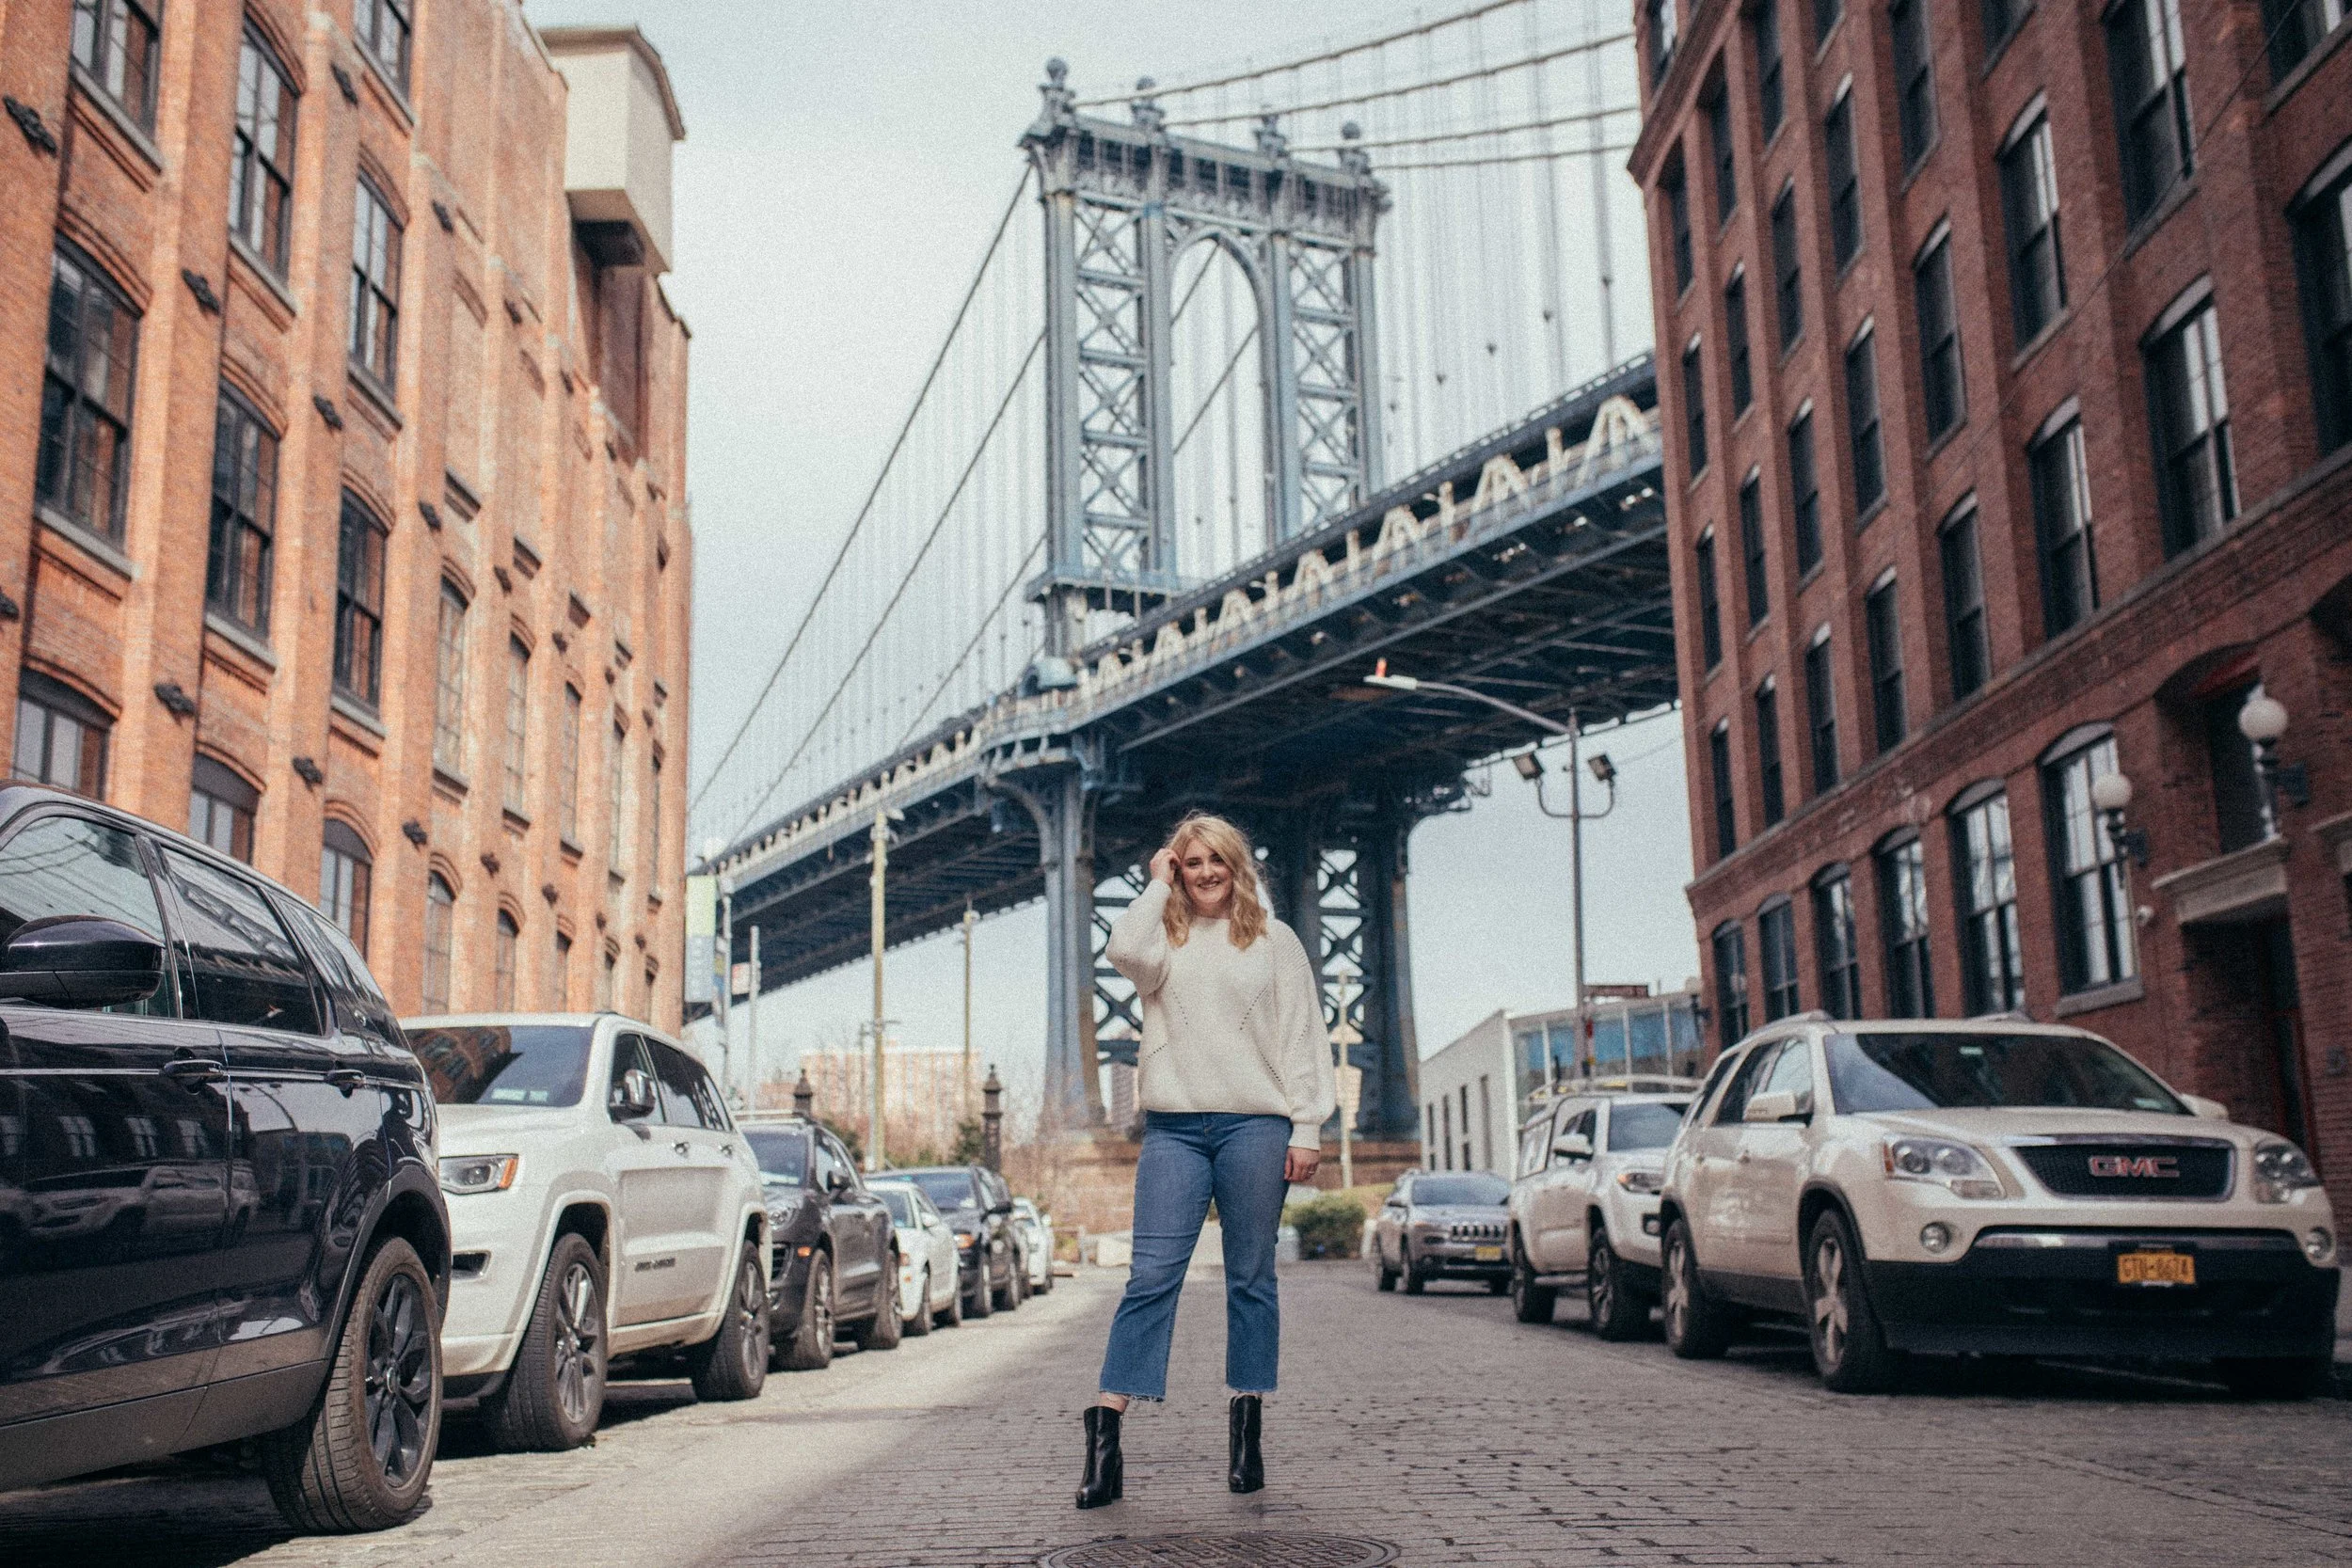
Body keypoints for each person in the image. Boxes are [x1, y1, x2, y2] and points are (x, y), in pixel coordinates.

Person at [1074, 812, 1335, 1510]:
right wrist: (1154, 883)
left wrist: (1306, 1125)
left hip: (1257, 1123)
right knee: (1151, 1274)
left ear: (1236, 865)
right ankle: (1105, 1436)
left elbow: (1304, 1036)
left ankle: (1246, 1428)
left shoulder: (1276, 942)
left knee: (1250, 1276)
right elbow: (1122, 949)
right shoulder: (1164, 937)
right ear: (1178, 870)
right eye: (1192, 863)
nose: (1207, 872)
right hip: (1175, 1129)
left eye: (1217, 860)